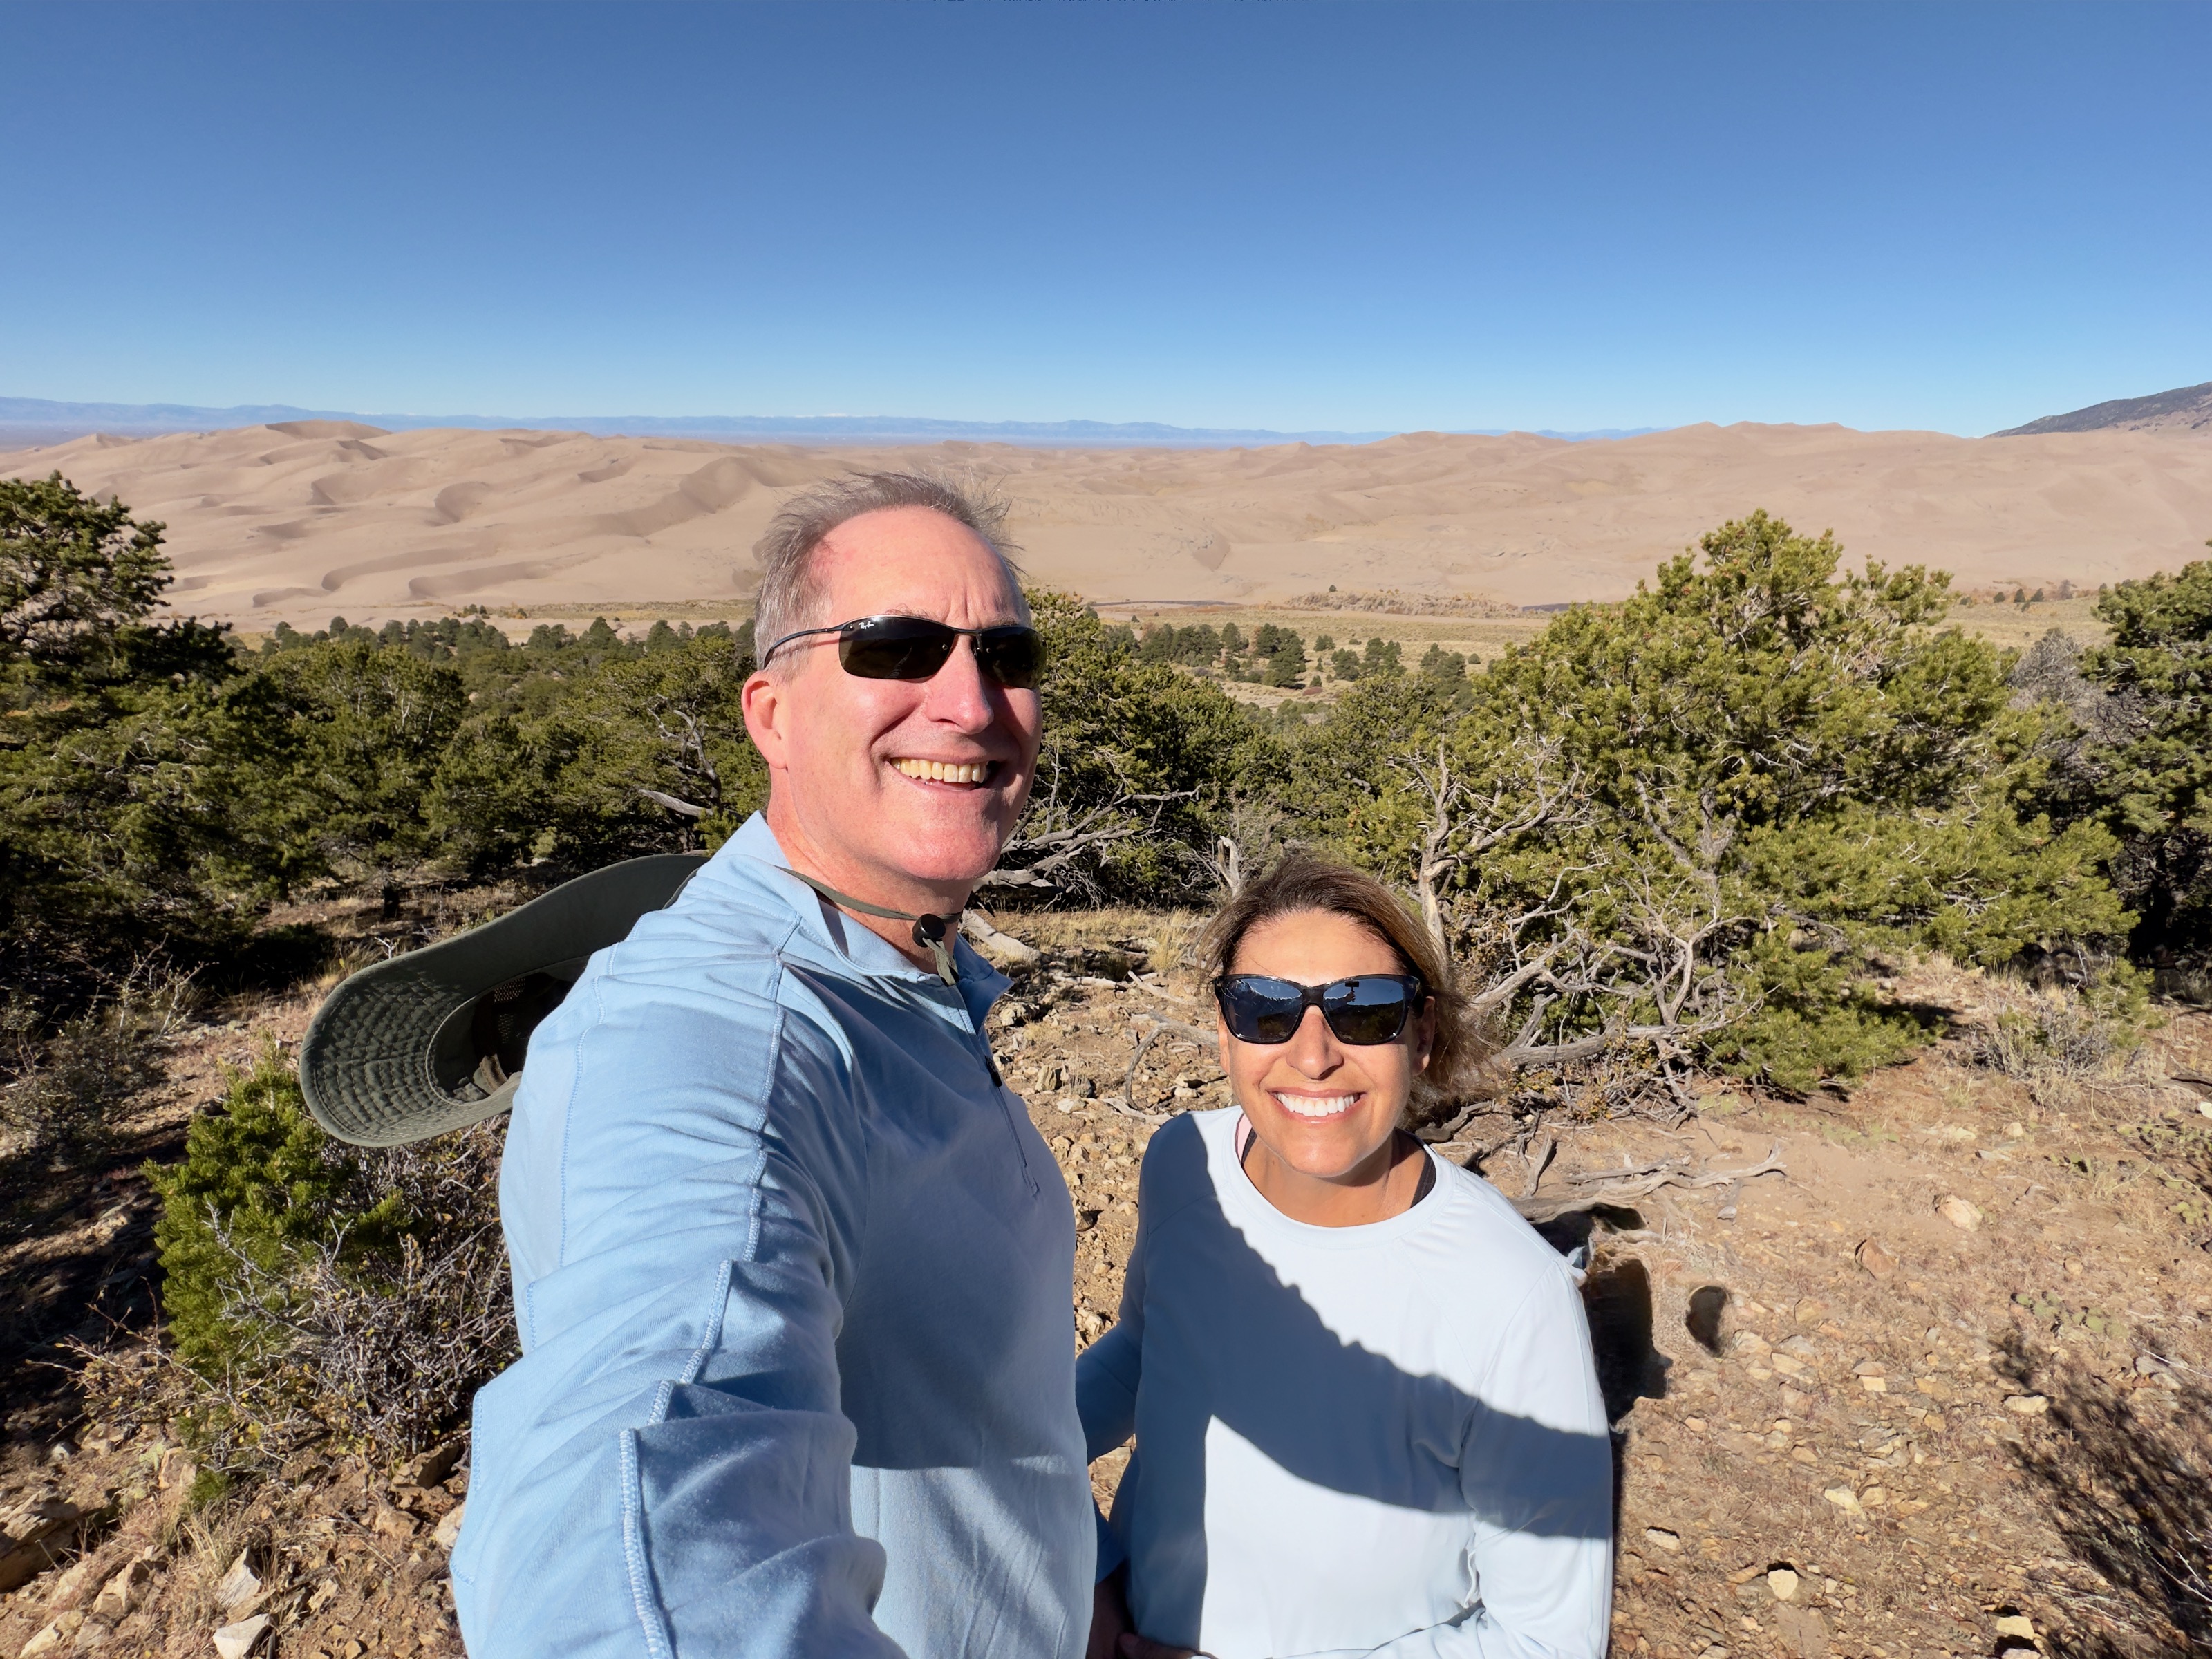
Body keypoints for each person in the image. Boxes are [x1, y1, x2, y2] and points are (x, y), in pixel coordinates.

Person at [451, 474, 1095, 1658]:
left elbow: (963, 1397)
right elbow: (644, 1501)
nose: (968, 700)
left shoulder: (903, 972)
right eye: (892, 648)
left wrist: (1059, 1580)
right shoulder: (720, 1035)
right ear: (772, 713)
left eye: (1006, 652)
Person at [1079, 855, 1613, 1659]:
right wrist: (1011, 1454)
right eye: (1264, 1009)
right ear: (1225, 1034)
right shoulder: (1183, 1162)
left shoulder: (1511, 1294)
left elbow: (1546, 1641)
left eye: (1363, 1011)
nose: (1313, 1053)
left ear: (1423, 1036)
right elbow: (1143, 1350)